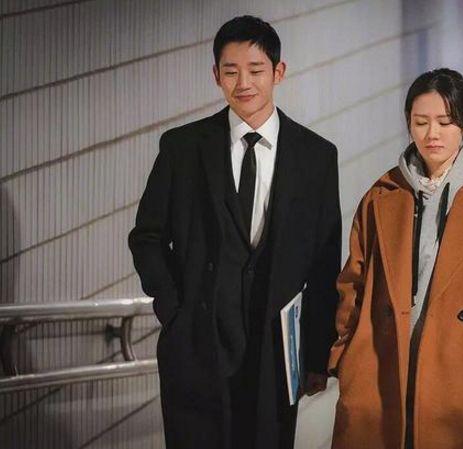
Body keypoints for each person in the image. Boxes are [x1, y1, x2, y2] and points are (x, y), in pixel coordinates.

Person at [128, 15, 341, 449]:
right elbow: (147, 236)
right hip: (197, 345)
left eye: (256, 70)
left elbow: (324, 265)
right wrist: (174, 310)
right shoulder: (182, 147)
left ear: (278, 72)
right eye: (231, 71)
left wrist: (317, 356)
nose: (243, 83)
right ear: (216, 76)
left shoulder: (316, 156)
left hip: (274, 353)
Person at [328, 68, 463, 449]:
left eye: (444, 121)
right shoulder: (382, 194)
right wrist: (346, 355)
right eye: (420, 122)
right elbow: (353, 281)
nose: (432, 134)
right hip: (382, 367)